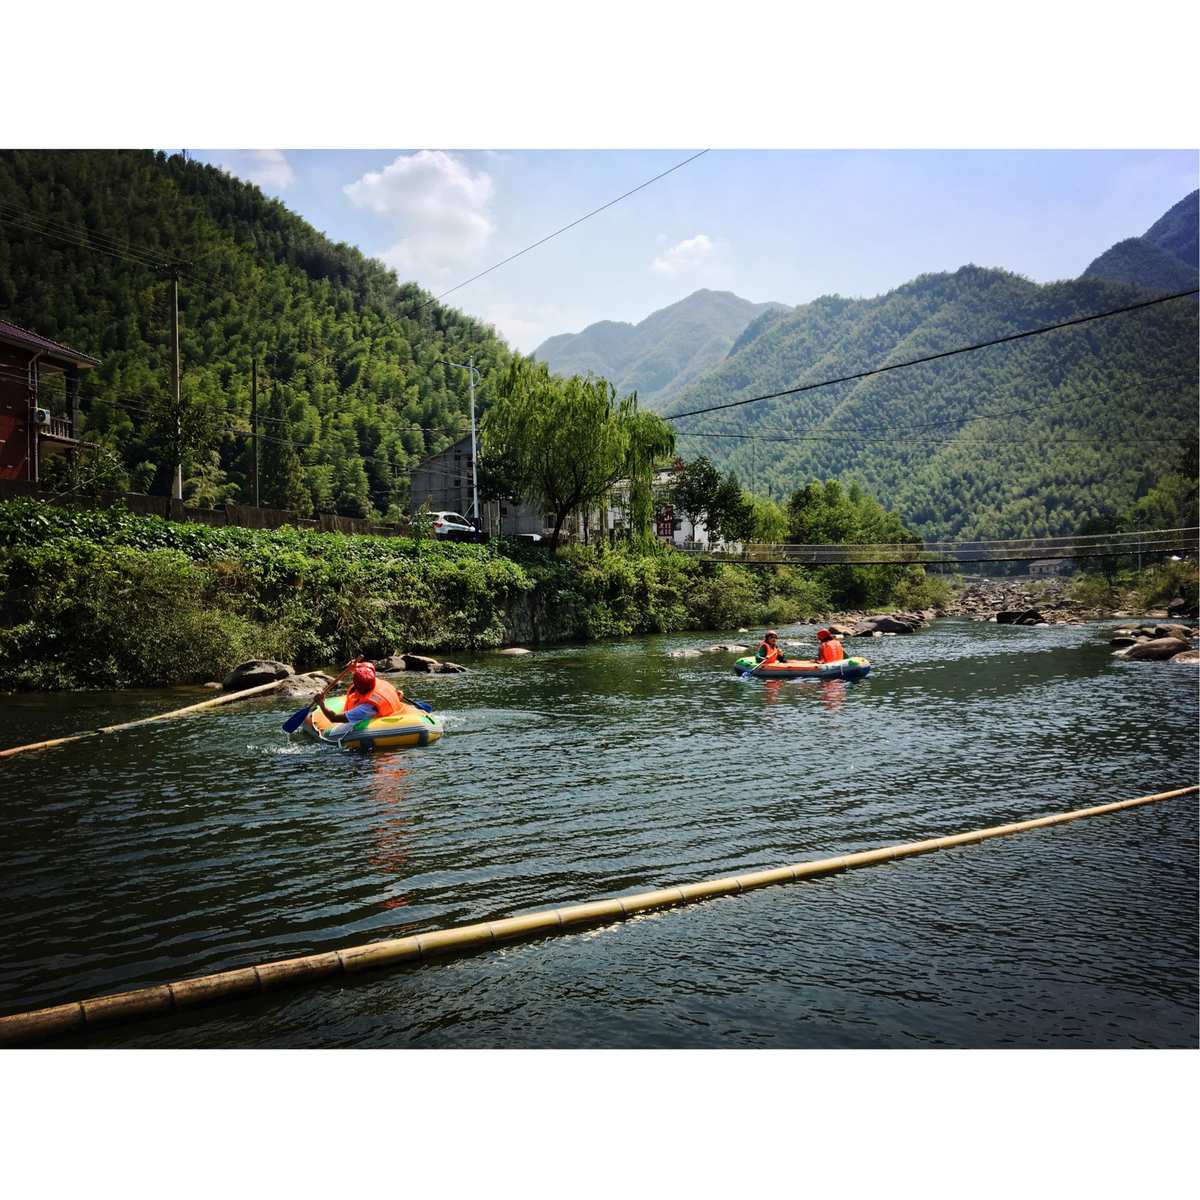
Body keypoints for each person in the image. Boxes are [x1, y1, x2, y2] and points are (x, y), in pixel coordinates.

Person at [317, 660, 404, 741]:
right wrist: (356, 667)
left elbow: (333, 718)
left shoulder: (366, 708)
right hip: (393, 712)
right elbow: (369, 668)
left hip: (379, 725)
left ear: (357, 687)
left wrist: (321, 703)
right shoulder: (378, 683)